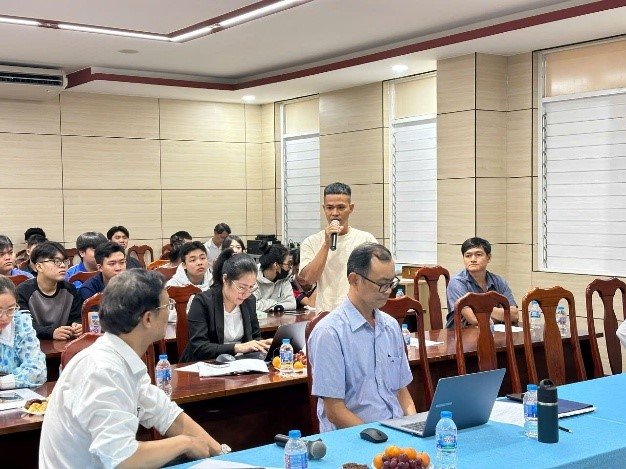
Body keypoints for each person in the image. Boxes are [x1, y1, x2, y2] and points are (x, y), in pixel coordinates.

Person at [39, 269, 226, 468]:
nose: (170, 312)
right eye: (167, 305)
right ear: (147, 318)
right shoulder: (102, 370)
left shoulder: (121, 356)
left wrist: (222, 454)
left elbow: (166, 414)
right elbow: (123, 459)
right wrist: (185, 443)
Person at [307, 243, 415, 432]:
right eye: (382, 284)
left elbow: (401, 392)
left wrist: (413, 427)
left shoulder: (390, 326)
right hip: (356, 439)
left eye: (391, 283)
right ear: (354, 280)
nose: (388, 291)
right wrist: (380, 437)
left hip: (395, 435)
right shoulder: (329, 333)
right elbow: (334, 411)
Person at [180, 249, 272, 362]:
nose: (246, 293)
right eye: (242, 287)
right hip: (206, 365)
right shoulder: (202, 302)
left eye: (251, 287)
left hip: (240, 363)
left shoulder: (249, 300)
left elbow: (254, 336)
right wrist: (238, 348)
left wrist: (262, 343)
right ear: (225, 279)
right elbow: (199, 348)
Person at [299, 182, 377, 312]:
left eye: (341, 207)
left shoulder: (366, 240)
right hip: (326, 315)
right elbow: (309, 279)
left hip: (359, 313)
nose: (335, 213)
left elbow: (378, 277)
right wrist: (326, 244)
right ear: (324, 208)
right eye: (330, 208)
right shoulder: (311, 242)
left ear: (351, 208)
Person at [446, 237, 519, 328]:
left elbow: (514, 315)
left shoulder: (499, 281)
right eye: (468, 256)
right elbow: (473, 319)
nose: (473, 259)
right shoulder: (457, 282)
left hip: (492, 332)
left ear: (489, 257)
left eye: (478, 255)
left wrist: (479, 309)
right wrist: (501, 316)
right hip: (460, 334)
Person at [16, 241, 82, 340]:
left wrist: (77, 325)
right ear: (39, 267)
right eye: (57, 261)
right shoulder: (23, 291)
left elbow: (77, 317)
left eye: (65, 261)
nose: (63, 265)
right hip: (33, 344)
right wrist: (51, 332)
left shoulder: (70, 290)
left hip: (64, 343)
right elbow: (24, 325)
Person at [0, 276, 46, 390]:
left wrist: (3, 383)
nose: (5, 317)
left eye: (11, 309)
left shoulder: (20, 323)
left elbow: (38, 371)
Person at [166, 241, 212, 320]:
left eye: (202, 258)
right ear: (184, 265)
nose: (199, 263)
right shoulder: (173, 286)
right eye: (193, 260)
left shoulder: (214, 282)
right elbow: (168, 315)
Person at [255, 241, 296, 312]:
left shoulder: (284, 277)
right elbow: (252, 306)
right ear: (276, 265)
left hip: (277, 317)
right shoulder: (253, 276)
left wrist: (271, 307)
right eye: (288, 264)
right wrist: (274, 303)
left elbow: (292, 304)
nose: (290, 268)